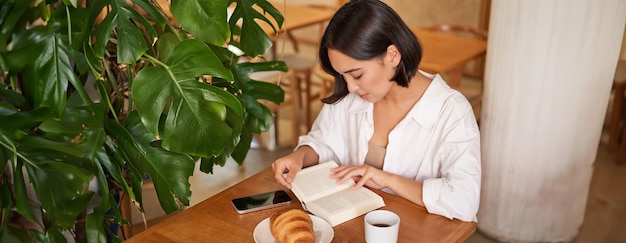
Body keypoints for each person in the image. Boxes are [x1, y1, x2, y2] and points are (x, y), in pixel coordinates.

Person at [272, 0, 481, 222]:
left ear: (392, 55)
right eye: (343, 76)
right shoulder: (354, 96)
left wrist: (388, 180)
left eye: (357, 75)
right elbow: (323, 141)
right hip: (350, 226)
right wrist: (300, 155)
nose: (350, 87)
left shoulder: (451, 112)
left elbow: (464, 201)